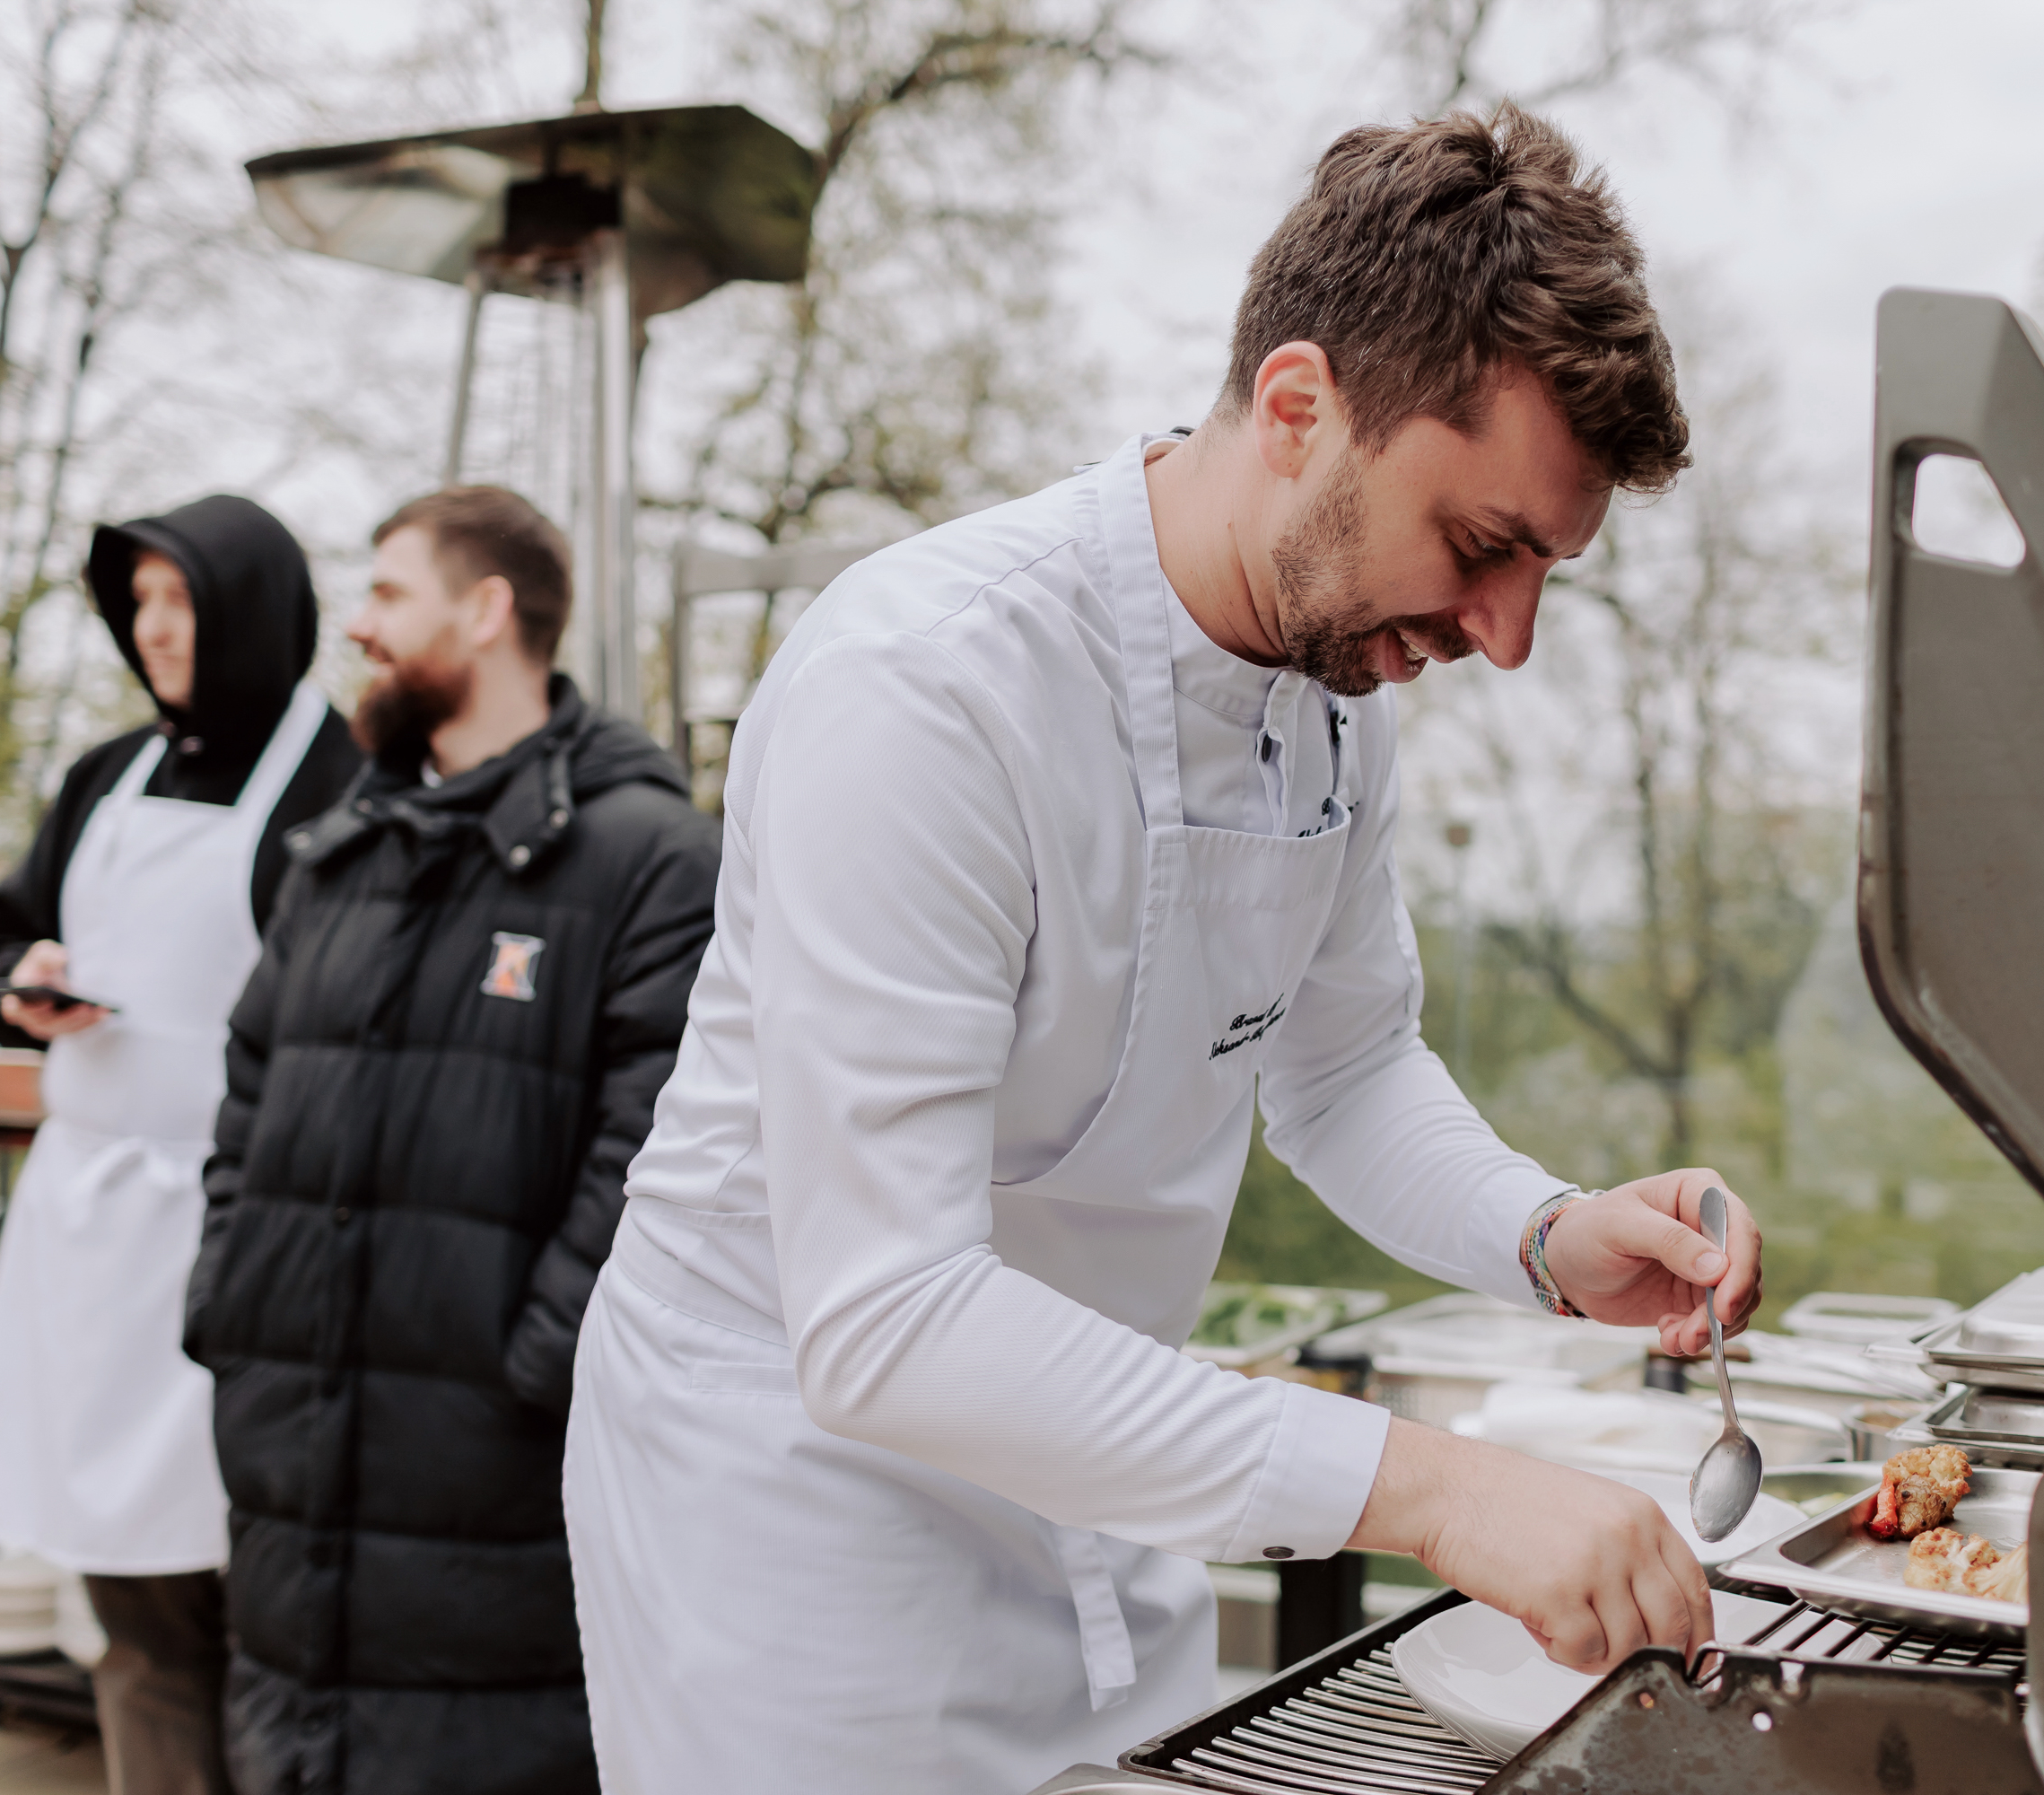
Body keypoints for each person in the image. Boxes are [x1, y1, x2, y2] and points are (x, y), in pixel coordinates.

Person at [563, 103, 1766, 1793]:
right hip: (796, 1516)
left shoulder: (1340, 694)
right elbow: (887, 1319)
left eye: (1544, 571)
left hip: (1111, 1462)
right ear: (1299, 408)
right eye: (1485, 547)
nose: (1506, 637)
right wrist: (1437, 1490)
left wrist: (1548, 1234)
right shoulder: (926, 689)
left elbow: (1343, 1071)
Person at [182, 485, 720, 1795]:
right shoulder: (337, 856)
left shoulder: (651, 861)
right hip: (293, 1478)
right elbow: (247, 1093)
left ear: (485, 611)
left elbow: (660, 1156)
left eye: (387, 593)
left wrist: (532, 1373)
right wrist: (230, 1302)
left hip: (502, 1498)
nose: (358, 627)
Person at [0, 494, 363, 1795]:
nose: (156, 631)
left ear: (253, 610)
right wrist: (22, 979)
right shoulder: (105, 774)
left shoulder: (342, 782)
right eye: (139, 604)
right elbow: (8, 926)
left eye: (181, 602)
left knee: (266, 1597)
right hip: (91, 1237)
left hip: (254, 1230)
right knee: (129, 1603)